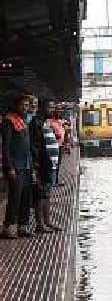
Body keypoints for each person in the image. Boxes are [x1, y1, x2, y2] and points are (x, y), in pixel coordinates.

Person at [2, 95, 36, 238]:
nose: (25, 107)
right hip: (16, 166)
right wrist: (9, 167)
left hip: (26, 165)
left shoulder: (23, 121)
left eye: (27, 105)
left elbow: (27, 147)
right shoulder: (8, 121)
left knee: (26, 197)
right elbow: (6, 147)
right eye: (22, 105)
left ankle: (23, 226)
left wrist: (32, 168)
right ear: (16, 105)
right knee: (15, 197)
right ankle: (9, 227)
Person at [28, 97, 61, 232]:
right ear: (41, 108)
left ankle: (47, 221)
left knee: (47, 193)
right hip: (42, 165)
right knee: (40, 195)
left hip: (50, 164)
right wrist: (36, 165)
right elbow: (35, 145)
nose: (52, 110)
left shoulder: (44, 122)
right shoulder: (36, 122)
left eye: (53, 107)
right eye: (49, 107)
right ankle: (40, 224)